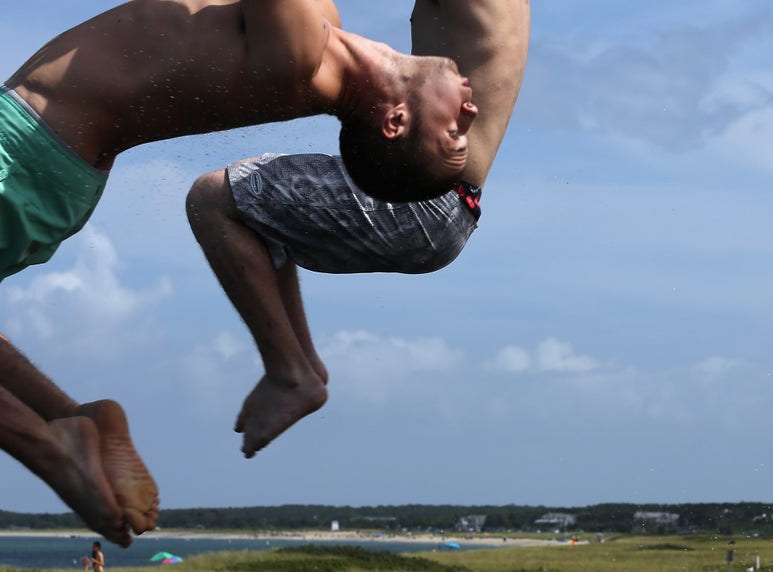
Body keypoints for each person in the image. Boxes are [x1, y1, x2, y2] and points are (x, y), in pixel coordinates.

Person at [0, 0, 481, 546]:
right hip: (45, 170)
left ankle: (49, 448)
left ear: (395, 122)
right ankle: (71, 418)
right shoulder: (316, 34)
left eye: (455, 134)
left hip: (7, 155)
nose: (472, 113)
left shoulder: (299, 50)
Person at [186, 0, 531, 457]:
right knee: (262, 214)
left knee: (213, 200)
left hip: (421, 201)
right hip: (446, 207)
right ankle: (300, 366)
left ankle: (290, 370)